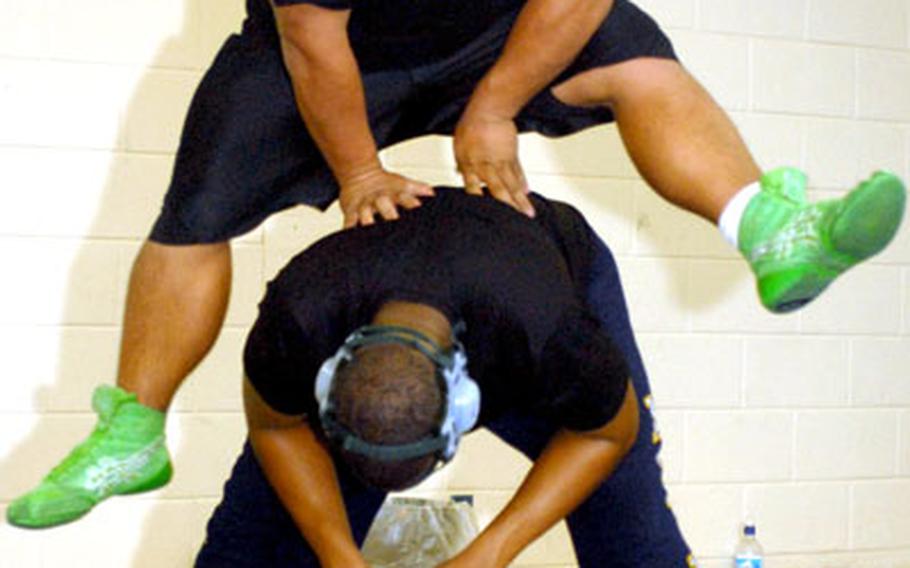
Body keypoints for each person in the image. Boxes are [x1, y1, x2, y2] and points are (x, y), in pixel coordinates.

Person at [8, 0, 905, 528]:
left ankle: (769, 227)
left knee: (642, 63)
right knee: (197, 210)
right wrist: (359, 171)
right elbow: (314, 39)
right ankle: (132, 431)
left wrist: (495, 108)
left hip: (498, 27)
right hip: (332, 50)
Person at [194, 189, 694, 567]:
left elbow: (607, 432)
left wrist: (488, 554)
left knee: (632, 534)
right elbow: (276, 427)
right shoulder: (298, 322)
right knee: (256, 547)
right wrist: (337, 552)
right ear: (328, 387)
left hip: (539, 291)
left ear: (465, 407)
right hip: (409, 326)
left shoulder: (550, 335)